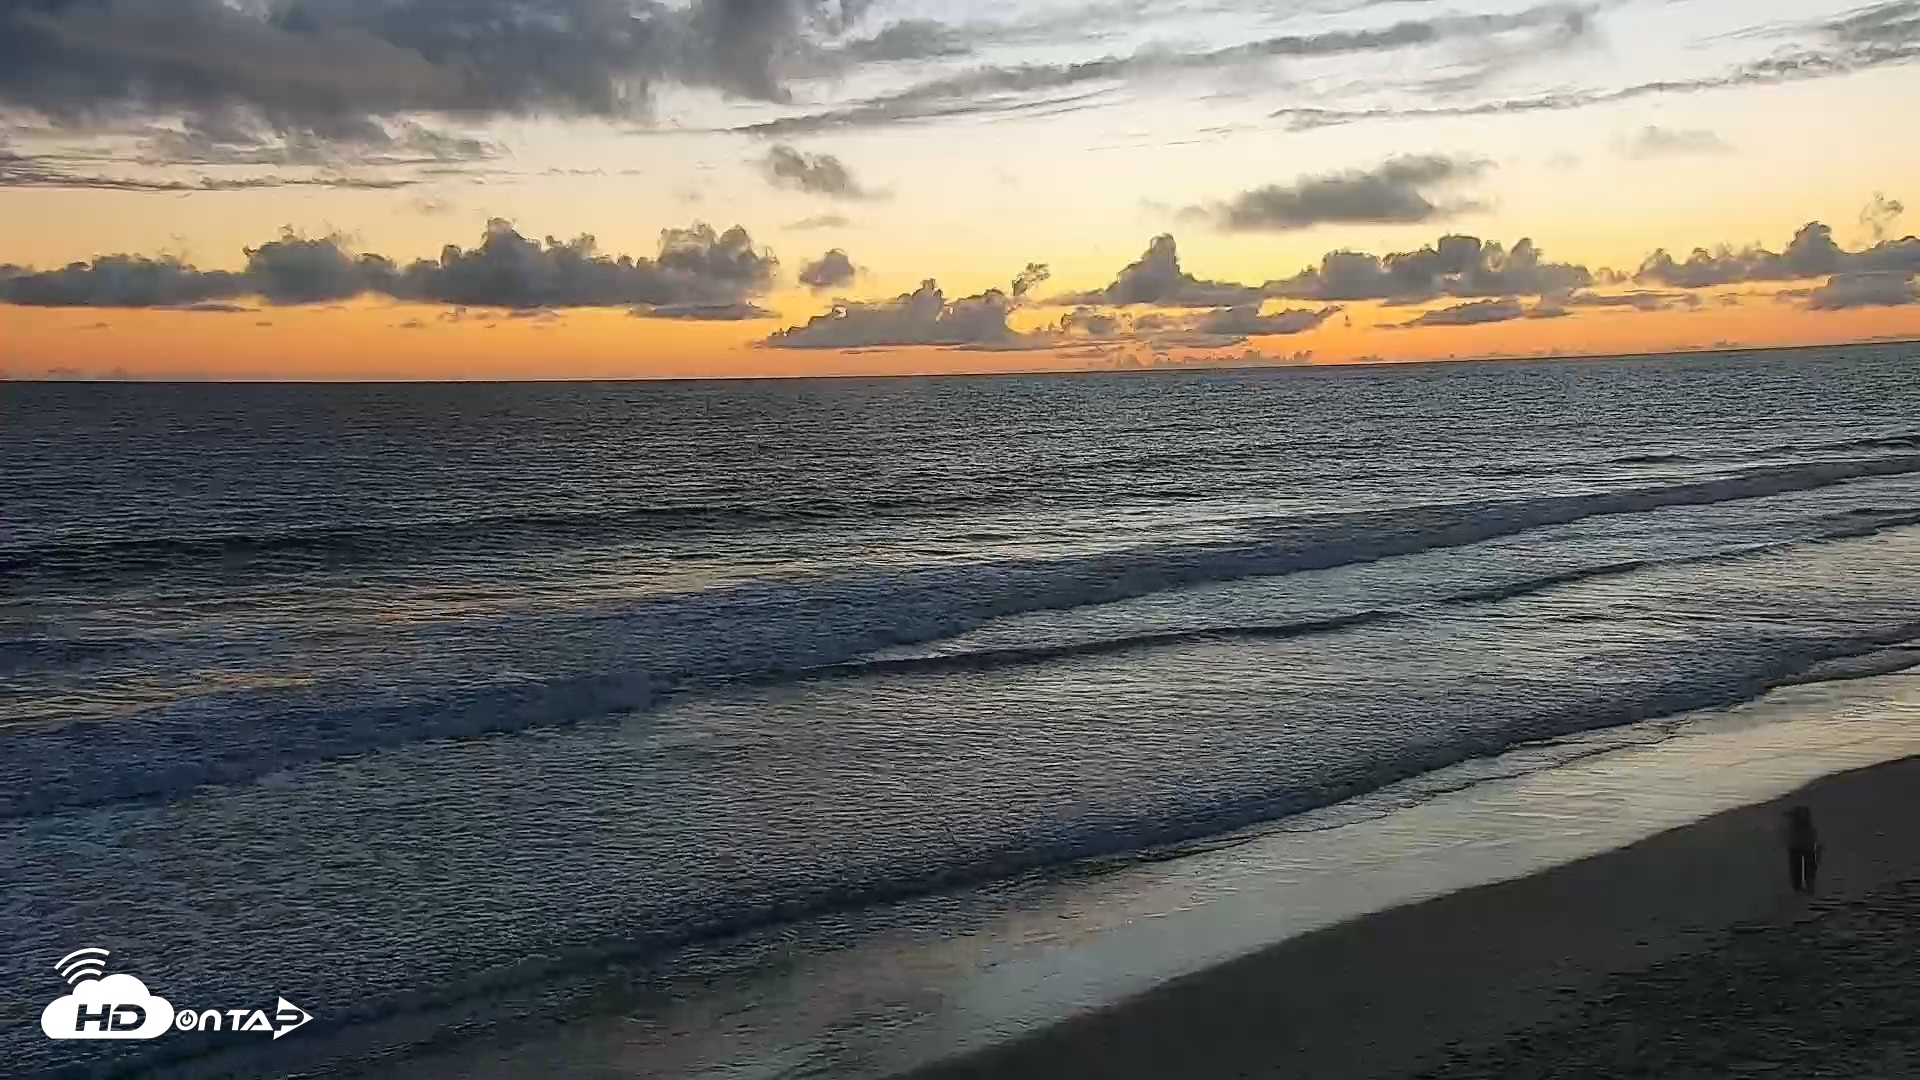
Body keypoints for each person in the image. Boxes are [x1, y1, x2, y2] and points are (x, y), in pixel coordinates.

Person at [1784, 806, 1822, 894]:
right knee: (1808, 867)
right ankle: (1809, 886)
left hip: (1797, 845)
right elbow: (1813, 836)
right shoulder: (1808, 824)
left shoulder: (1794, 824)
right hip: (1806, 845)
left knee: (1797, 868)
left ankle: (1799, 887)